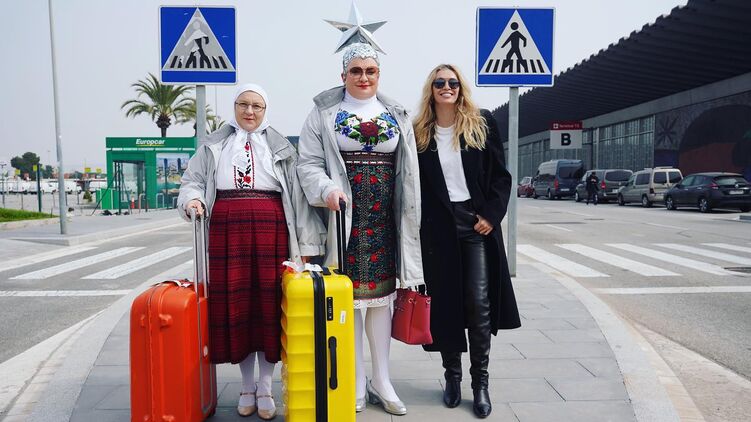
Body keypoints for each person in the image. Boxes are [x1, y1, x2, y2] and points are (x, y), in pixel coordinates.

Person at [177, 83, 326, 419]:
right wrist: (193, 200)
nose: (249, 111)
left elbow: (299, 198)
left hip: (272, 228)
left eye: (257, 106)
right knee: (238, 307)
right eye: (243, 104)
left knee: (269, 307)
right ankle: (246, 386)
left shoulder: (283, 147)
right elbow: (192, 181)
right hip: (226, 230)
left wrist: (306, 248)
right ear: (234, 107)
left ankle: (266, 387)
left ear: (265, 110)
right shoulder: (213, 144)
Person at [297, 42, 424, 416]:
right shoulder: (323, 114)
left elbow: (410, 169)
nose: (363, 77)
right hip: (342, 219)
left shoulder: (396, 113)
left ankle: (382, 380)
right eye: (356, 71)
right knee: (347, 302)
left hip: (385, 220)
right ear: (343, 75)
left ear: (379, 74)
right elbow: (308, 163)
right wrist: (327, 189)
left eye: (370, 70)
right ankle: (354, 379)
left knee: (382, 301)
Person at [413, 64, 521, 419]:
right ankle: (452, 377)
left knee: (478, 303)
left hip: (475, 224)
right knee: (445, 304)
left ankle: (480, 383)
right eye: (439, 82)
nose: (447, 87)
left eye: (453, 82)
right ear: (431, 89)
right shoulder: (419, 133)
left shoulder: (481, 123)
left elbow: (501, 177)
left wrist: (491, 214)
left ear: (461, 88)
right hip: (438, 229)